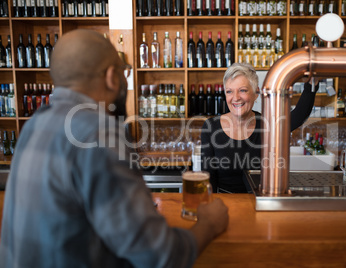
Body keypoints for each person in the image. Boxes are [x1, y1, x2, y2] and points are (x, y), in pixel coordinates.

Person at [0, 29, 228, 268]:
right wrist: (209, 224)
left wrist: (134, 212)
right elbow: (159, 256)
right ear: (112, 76)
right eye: (124, 73)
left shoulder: (34, 124)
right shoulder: (98, 131)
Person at [201, 63, 317, 193]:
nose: (236, 98)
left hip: (260, 203)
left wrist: (312, 83)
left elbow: (299, 116)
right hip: (225, 204)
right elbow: (208, 178)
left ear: (256, 93)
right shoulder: (211, 127)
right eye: (229, 91)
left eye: (243, 90)